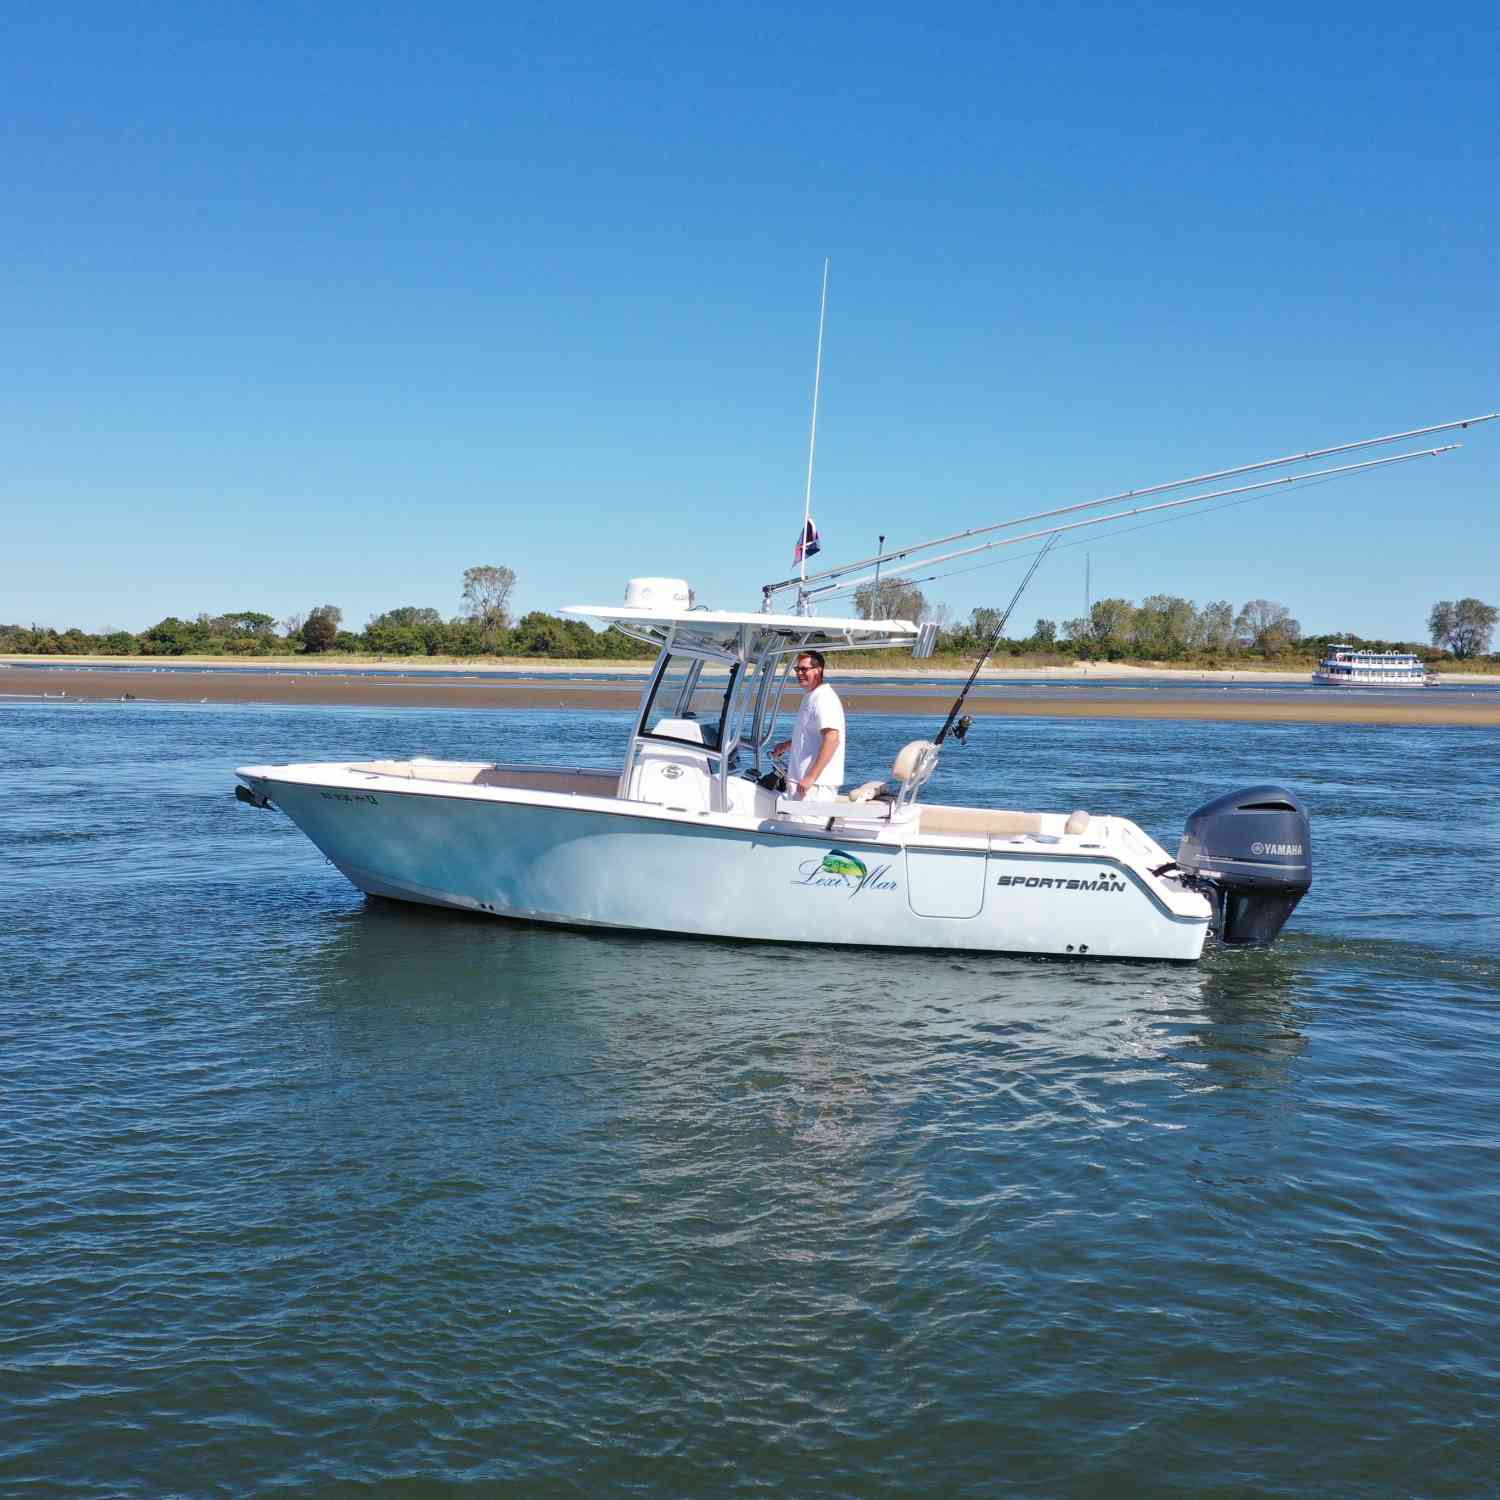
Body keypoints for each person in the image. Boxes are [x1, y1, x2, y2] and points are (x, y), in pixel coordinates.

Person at [772, 651, 845, 800]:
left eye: (804, 669)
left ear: (818, 671)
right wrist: (786, 745)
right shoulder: (811, 696)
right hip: (803, 782)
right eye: (797, 669)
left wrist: (811, 777)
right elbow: (810, 735)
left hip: (815, 786)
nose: (799, 673)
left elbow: (832, 739)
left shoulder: (824, 698)